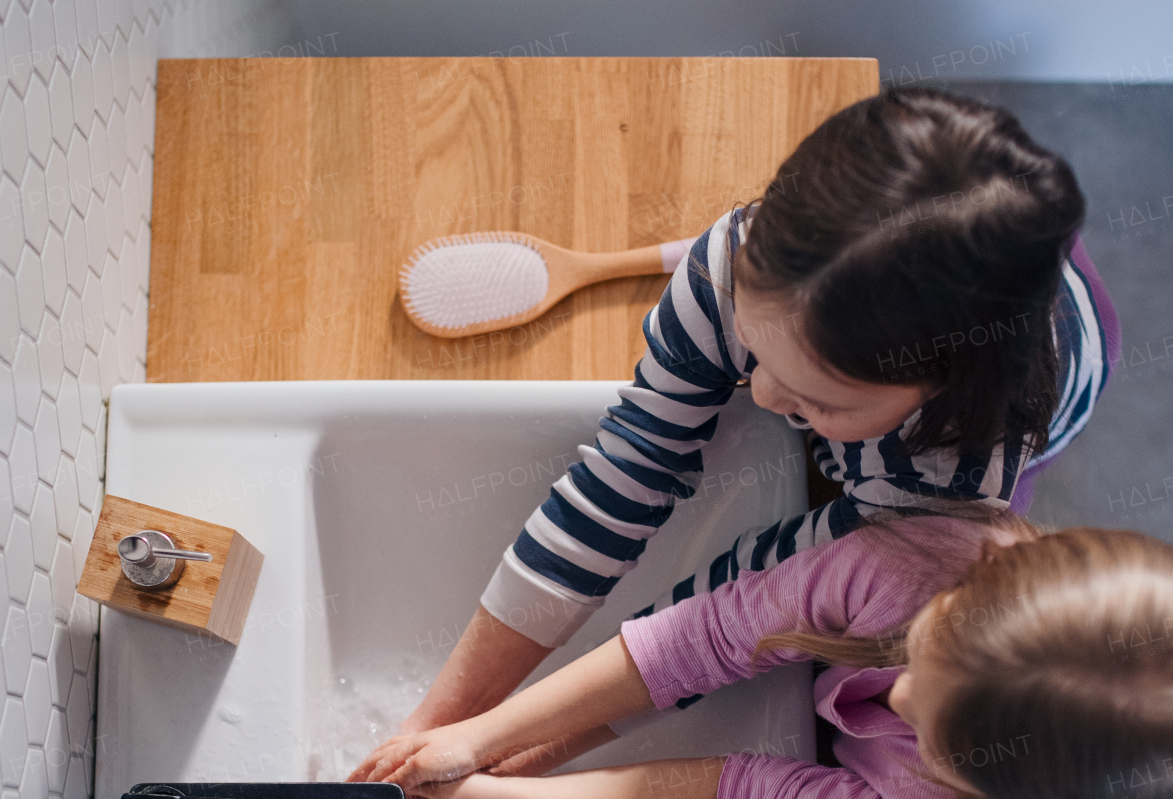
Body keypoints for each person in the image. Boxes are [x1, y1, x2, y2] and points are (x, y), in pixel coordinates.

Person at [399, 87, 1120, 744]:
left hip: (1028, 399)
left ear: (937, 390)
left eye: (818, 399)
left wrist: (537, 742)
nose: (768, 398)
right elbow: (630, 465)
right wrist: (448, 716)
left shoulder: (951, 488)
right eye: (756, 344)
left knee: (917, 592)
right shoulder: (728, 259)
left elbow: (752, 601)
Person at [354, 519, 1173, 799]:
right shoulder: (918, 564)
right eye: (926, 652)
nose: (897, 691)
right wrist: (482, 736)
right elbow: (705, 637)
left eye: (931, 733)